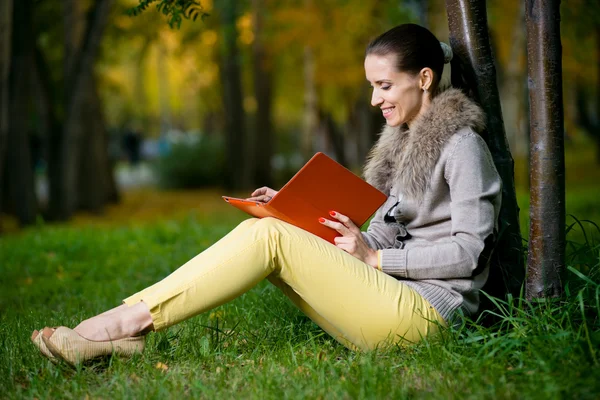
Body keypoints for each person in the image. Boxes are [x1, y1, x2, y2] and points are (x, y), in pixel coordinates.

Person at [31, 23, 502, 366]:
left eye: (384, 86)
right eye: (371, 87)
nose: (376, 99)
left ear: (423, 78)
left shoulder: (462, 146)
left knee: (269, 239)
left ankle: (118, 326)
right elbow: (377, 238)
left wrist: (378, 262)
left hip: (430, 316)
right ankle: (124, 329)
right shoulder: (400, 148)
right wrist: (299, 208)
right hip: (386, 303)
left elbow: (471, 250)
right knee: (271, 226)